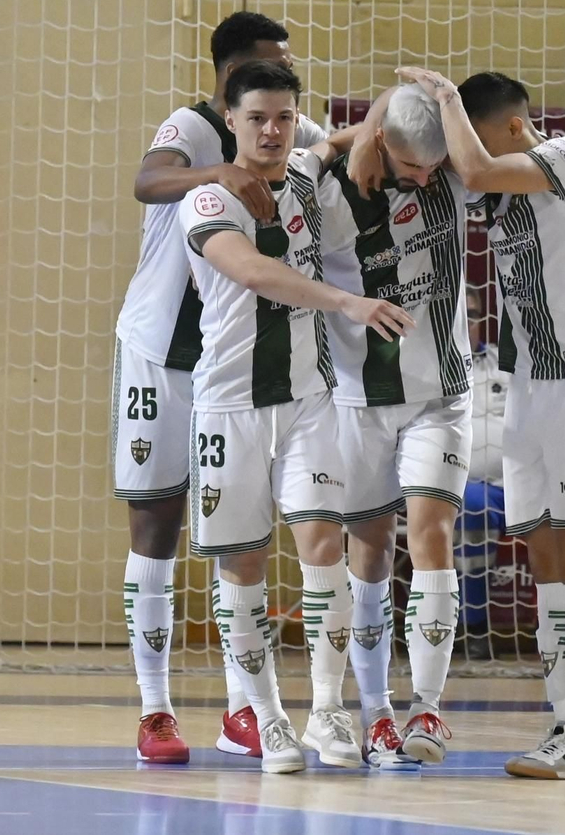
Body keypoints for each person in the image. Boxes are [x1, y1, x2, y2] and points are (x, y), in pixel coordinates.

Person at [399, 67, 565, 781]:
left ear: (509, 127)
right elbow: (431, 172)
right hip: (528, 388)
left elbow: (468, 164)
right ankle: (562, 723)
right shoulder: (496, 195)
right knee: (543, 557)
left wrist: (443, 97)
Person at [179, 60, 412, 774]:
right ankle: (269, 716)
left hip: (309, 401)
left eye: (284, 116)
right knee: (243, 566)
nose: (273, 130)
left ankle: (328, 709)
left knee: (323, 547)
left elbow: (332, 145)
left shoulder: (307, 175)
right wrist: (346, 302)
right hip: (229, 406)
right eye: (256, 118)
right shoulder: (209, 201)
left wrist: (388, 119)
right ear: (230, 121)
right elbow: (251, 270)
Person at [112, 12, 327, 762]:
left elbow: (333, 153)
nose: (272, 115)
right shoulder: (195, 125)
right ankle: (155, 710)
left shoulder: (288, 132)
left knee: (241, 531)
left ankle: (245, 708)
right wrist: (217, 171)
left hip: (235, 367)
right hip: (160, 348)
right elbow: (146, 181)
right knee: (158, 523)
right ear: (227, 77)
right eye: (266, 66)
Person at [320, 85, 472, 769]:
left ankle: (428, 708)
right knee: (370, 554)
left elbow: (456, 151)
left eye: (434, 166)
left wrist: (433, 93)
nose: (426, 178)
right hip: (359, 401)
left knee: (432, 534)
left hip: (440, 396)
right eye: (414, 168)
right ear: (380, 141)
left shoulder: (449, 179)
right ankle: (375, 711)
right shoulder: (325, 191)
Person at [458, 284, 508, 650]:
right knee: (472, 505)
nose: (469, 322)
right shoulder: (434, 367)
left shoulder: (505, 363)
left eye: (474, 314)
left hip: (516, 485)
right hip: (463, 487)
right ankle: (473, 628)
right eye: (462, 315)